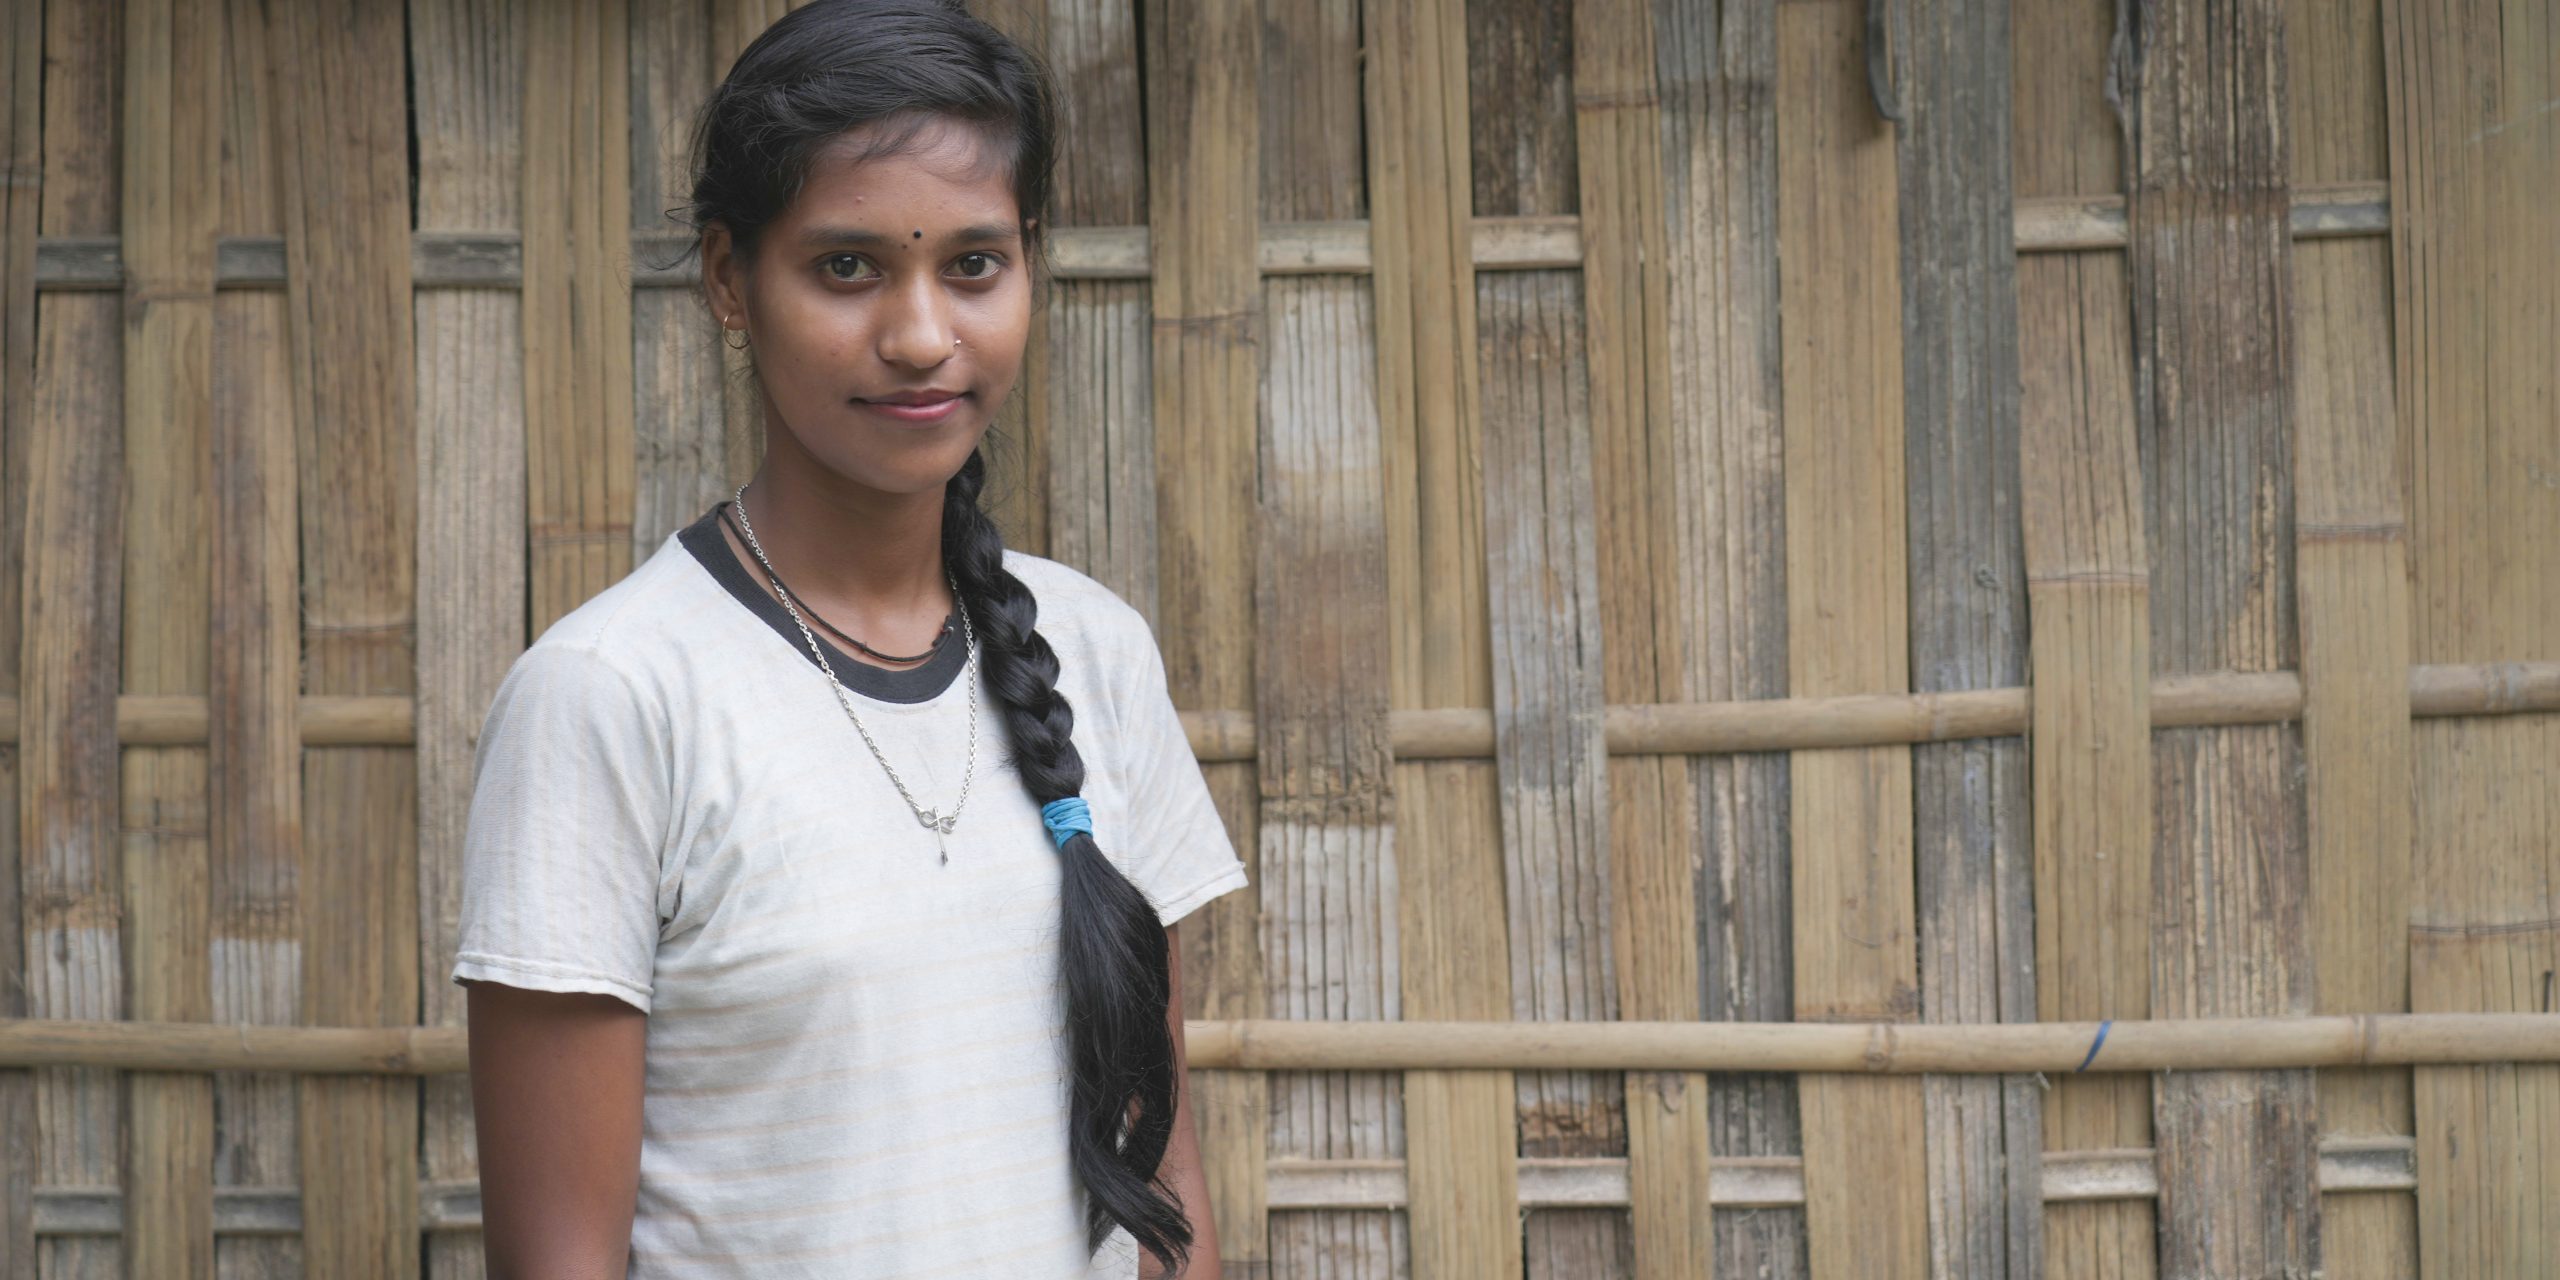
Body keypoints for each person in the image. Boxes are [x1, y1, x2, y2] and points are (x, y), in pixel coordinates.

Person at [449, 3, 1248, 1274]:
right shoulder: (609, 696)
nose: (922, 335)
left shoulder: (1095, 650)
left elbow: (1165, 1182)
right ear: (729, 279)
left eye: (973, 264)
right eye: (846, 267)